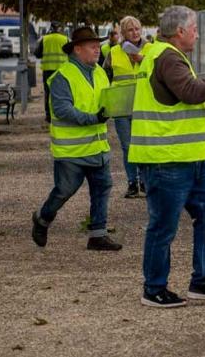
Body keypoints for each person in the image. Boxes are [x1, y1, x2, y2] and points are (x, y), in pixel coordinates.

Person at [129, 5, 205, 308]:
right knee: (163, 226)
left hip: (187, 158)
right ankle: (154, 288)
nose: (197, 33)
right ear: (179, 31)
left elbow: (179, 101)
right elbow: (190, 92)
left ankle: (203, 282)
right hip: (167, 159)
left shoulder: (166, 56)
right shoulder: (167, 57)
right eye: (194, 29)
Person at [31, 26, 122, 251]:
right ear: (77, 49)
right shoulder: (63, 76)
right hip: (72, 151)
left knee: (102, 187)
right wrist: (93, 118)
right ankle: (42, 219)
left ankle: (97, 236)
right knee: (64, 190)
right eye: (92, 47)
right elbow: (62, 110)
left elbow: (105, 101)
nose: (97, 50)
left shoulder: (99, 72)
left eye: (98, 46)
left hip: (98, 147)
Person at [103, 16, 152, 198]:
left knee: (144, 146)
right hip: (122, 108)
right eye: (130, 30)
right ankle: (132, 183)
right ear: (123, 33)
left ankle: (145, 182)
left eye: (138, 29)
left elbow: (158, 73)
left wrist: (142, 59)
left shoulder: (150, 50)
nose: (135, 33)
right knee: (127, 146)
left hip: (144, 107)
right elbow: (103, 78)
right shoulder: (113, 52)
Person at [34, 21, 69, 122]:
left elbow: (37, 54)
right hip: (63, 70)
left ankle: (49, 116)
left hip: (48, 70)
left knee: (48, 93)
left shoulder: (45, 39)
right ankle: (63, 113)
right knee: (63, 92)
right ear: (60, 28)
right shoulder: (65, 39)